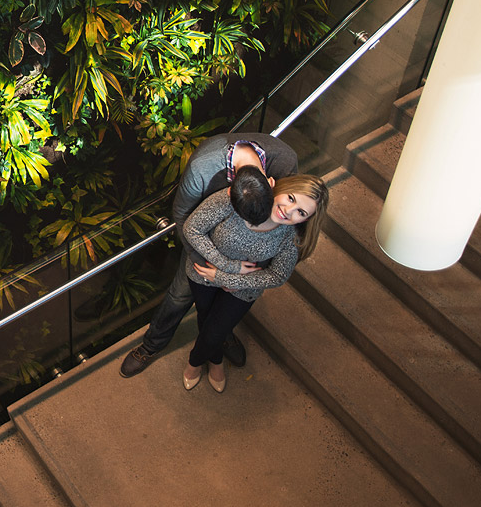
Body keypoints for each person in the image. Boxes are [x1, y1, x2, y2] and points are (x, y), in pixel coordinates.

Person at [118, 133, 298, 378]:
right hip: (204, 246)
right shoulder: (202, 168)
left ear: (271, 182)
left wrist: (239, 277)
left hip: (251, 255)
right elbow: (182, 216)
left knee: (226, 307)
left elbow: (289, 212)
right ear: (229, 197)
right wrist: (213, 263)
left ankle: (220, 336)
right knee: (179, 296)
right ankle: (152, 344)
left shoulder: (285, 160)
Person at [181, 172, 329, 392]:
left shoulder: (290, 237)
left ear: (306, 219)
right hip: (203, 273)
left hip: (243, 289)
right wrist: (228, 266)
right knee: (206, 318)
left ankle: (195, 363)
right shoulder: (243, 196)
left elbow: (277, 276)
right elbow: (192, 229)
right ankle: (216, 359)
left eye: (301, 212)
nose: (288, 211)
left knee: (215, 330)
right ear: (278, 187)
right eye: (291, 198)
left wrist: (227, 278)